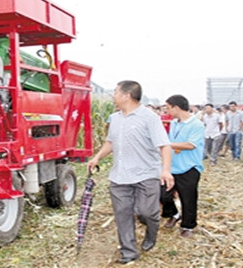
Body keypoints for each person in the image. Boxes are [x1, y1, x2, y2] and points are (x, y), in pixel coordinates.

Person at [87, 80, 173, 264]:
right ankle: (129, 251)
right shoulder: (115, 118)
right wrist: (97, 158)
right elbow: (110, 142)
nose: (113, 97)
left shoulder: (149, 118)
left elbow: (164, 146)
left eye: (116, 93)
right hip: (120, 176)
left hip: (146, 174)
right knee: (122, 215)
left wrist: (165, 170)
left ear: (127, 95)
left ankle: (152, 232)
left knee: (147, 212)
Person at [161, 94, 204, 238]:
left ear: (176, 107)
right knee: (163, 195)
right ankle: (174, 213)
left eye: (168, 108)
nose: (167, 111)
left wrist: (167, 145)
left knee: (188, 198)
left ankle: (188, 225)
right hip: (172, 167)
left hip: (189, 167)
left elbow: (191, 145)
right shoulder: (174, 123)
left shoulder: (196, 124)